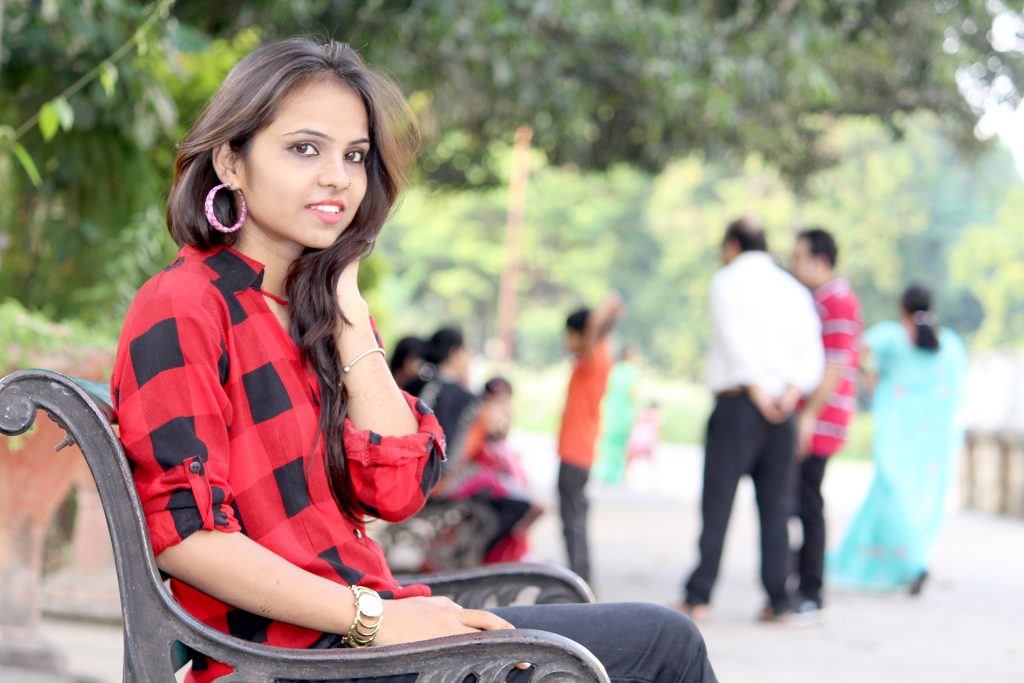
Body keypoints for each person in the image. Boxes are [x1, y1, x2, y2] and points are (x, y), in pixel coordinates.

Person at [110, 38, 716, 683]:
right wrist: (376, 619)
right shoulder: (184, 304)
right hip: (291, 662)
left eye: (355, 155)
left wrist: (347, 307)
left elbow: (396, 492)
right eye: (305, 148)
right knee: (663, 645)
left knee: (659, 641)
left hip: (364, 637)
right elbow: (188, 539)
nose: (338, 177)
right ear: (232, 160)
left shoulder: (319, 314)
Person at [681, 216, 823, 622]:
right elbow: (810, 351)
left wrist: (757, 391)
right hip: (784, 408)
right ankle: (778, 600)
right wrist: (790, 394)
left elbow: (732, 337)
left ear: (732, 245)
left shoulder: (727, 281)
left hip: (739, 404)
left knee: (718, 503)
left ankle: (699, 595)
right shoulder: (794, 289)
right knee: (777, 508)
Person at [829, 285, 966, 595]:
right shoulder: (949, 343)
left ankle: (914, 562)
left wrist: (869, 376)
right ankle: (915, 561)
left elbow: (854, 350)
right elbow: (956, 391)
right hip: (930, 436)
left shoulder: (891, 335)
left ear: (902, 308)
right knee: (916, 498)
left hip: (895, 430)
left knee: (895, 495)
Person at [787, 227, 863, 620]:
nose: (792, 264)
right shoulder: (822, 299)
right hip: (814, 417)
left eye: (798, 257)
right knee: (796, 502)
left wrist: (809, 415)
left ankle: (811, 591)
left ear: (820, 261)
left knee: (808, 505)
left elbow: (835, 365)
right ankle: (797, 581)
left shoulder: (837, 301)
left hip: (819, 421)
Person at [556, 293, 625, 584]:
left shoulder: (593, 356)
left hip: (576, 452)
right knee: (576, 518)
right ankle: (582, 577)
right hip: (580, 451)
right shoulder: (595, 356)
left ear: (578, 334)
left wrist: (606, 307)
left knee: (572, 522)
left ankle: (579, 579)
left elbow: (599, 324)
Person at [446, 376, 540, 563]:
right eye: (496, 401)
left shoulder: (493, 431)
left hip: (482, 480)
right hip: (468, 480)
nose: (501, 407)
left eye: (505, 401)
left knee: (523, 503)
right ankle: (486, 555)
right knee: (520, 505)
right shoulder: (480, 417)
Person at [417, 326, 478, 473]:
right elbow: (456, 454)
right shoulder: (464, 398)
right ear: (455, 352)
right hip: (437, 476)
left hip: (408, 467)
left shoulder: (413, 383)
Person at [593, 347, 640, 485]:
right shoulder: (632, 372)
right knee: (619, 446)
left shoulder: (613, 371)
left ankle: (601, 472)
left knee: (606, 444)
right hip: (623, 416)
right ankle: (614, 476)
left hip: (609, 413)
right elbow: (633, 393)